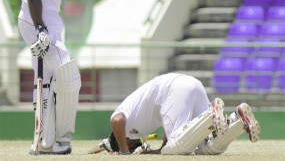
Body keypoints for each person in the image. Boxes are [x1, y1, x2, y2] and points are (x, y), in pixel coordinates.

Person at [17, 0, 85, 155]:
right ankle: (59, 140)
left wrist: (48, 28)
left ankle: (46, 142)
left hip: (51, 24)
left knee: (47, 78)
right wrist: (40, 29)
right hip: (36, 21)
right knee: (68, 74)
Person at [99, 73, 260, 155]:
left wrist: (124, 152)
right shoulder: (139, 126)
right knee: (206, 147)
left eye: (131, 147)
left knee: (178, 147)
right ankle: (238, 119)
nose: (136, 148)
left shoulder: (124, 125)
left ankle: (212, 114)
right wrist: (160, 149)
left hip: (173, 89)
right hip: (192, 84)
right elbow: (168, 125)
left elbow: (116, 120)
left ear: (124, 141)